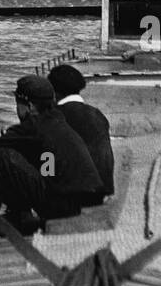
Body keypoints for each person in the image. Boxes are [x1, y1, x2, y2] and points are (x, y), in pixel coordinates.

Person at [0, 75, 102, 241]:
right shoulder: (56, 119)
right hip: (83, 204)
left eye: (18, 104)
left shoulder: (33, 126)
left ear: (30, 106)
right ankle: (21, 216)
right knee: (26, 157)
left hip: (62, 209)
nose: (16, 109)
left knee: (2, 156)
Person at [47, 64, 115, 200]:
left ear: (54, 92)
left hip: (74, 194)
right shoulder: (97, 114)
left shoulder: (56, 115)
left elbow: (48, 155)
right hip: (103, 189)